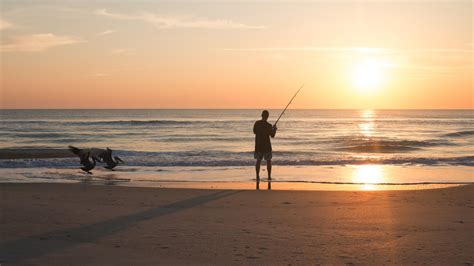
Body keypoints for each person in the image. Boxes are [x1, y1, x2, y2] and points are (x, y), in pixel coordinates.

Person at [253, 110, 277, 190]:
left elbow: (254, 132)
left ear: (261, 115)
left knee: (258, 161)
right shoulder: (269, 125)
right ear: (267, 116)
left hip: (258, 146)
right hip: (267, 146)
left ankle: (257, 176)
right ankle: (269, 176)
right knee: (268, 161)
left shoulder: (257, 123)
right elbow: (272, 135)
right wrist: (274, 129)